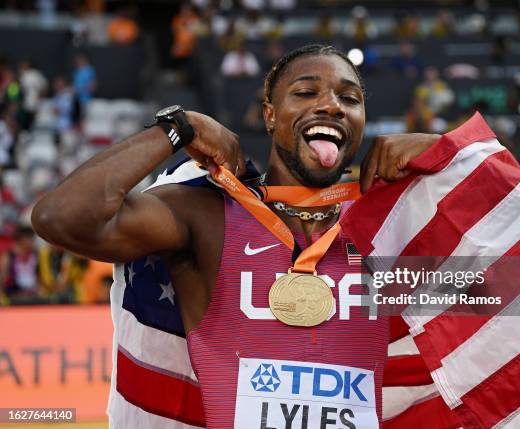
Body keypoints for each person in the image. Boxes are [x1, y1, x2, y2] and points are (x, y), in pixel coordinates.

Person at [31, 45, 438, 426]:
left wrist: (448, 165)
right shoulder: (210, 215)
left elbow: (497, 292)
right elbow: (60, 217)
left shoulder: (393, 226)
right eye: (306, 91)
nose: (331, 105)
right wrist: (179, 128)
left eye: (349, 99)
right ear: (270, 115)